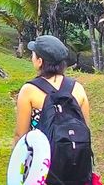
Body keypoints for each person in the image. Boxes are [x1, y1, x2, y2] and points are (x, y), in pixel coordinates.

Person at [14, 35, 94, 184]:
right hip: (77, 165)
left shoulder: (29, 90)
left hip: (43, 166)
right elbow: (85, 128)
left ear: (40, 61)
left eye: (33, 54)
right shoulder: (78, 88)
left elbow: (21, 134)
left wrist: (17, 167)